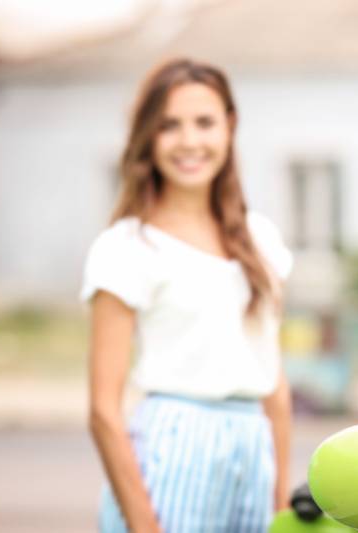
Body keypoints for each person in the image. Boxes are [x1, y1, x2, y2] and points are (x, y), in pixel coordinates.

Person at [81, 58, 293, 533]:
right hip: (170, 455)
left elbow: (275, 386)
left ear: (229, 126)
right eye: (169, 125)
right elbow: (103, 411)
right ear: (148, 137)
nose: (189, 141)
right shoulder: (126, 246)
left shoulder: (261, 239)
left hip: (252, 453)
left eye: (204, 122)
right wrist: (143, 523)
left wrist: (280, 503)